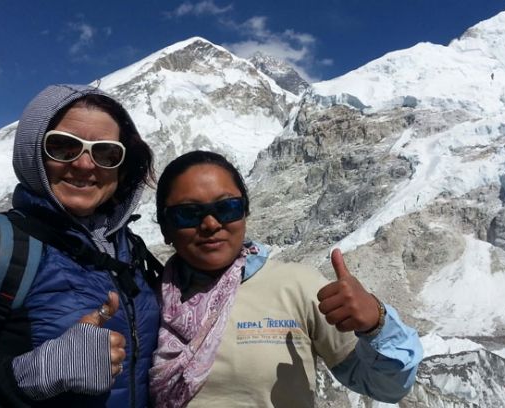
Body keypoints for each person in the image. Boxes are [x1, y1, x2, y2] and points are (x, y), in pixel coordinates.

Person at [0, 84, 160, 407]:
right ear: (34, 151)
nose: (84, 164)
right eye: (63, 147)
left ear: (122, 167)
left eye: (106, 153)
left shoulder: (131, 252)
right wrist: (38, 373)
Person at [150, 150, 423, 408]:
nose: (210, 224)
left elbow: (386, 387)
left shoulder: (300, 288)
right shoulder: (145, 302)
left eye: (227, 208)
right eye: (188, 213)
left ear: (245, 213)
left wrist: (377, 324)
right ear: (165, 228)